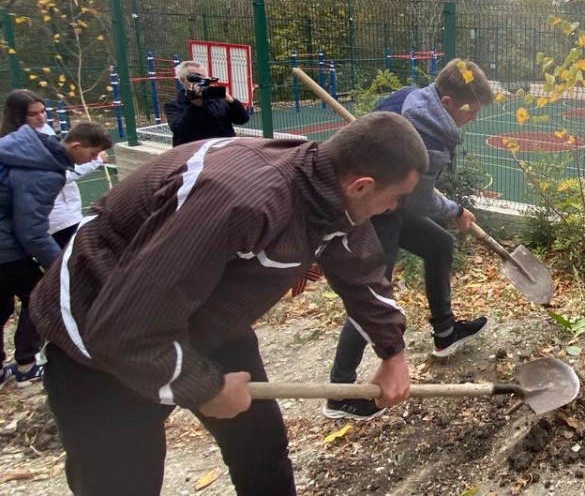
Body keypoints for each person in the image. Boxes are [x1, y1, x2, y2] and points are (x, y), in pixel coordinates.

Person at [29, 112, 428, 495]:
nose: (392, 210)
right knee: (122, 482)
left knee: (262, 449)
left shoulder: (328, 194)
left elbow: (361, 272)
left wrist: (393, 352)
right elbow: (125, 329)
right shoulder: (241, 200)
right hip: (101, 342)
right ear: (360, 185)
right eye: (395, 199)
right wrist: (203, 386)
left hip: (203, 318)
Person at [324, 58, 495, 421]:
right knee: (373, 294)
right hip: (375, 211)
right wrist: (456, 210)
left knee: (439, 245)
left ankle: (445, 332)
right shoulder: (430, 137)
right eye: (471, 111)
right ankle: (339, 391)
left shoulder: (411, 98)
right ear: (447, 103)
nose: (474, 118)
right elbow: (421, 200)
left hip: (394, 206)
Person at [0, 110, 111, 388]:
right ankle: (26, 365)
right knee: (38, 296)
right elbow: (33, 232)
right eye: (92, 153)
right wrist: (63, 267)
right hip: (5, 246)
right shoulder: (44, 174)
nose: (93, 160)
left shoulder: (25, 148)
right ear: (75, 146)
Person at [1, 90, 109, 248]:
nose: (41, 117)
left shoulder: (45, 131)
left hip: (68, 210)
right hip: (54, 216)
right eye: (33, 114)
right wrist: (95, 161)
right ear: (18, 116)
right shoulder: (19, 147)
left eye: (43, 111)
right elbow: (58, 176)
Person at [164, 60, 250, 146]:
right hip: (193, 152)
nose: (201, 83)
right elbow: (180, 130)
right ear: (183, 80)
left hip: (224, 151)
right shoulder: (173, 104)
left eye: (204, 79)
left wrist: (232, 101)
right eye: (196, 78)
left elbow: (242, 119)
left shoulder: (217, 99)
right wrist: (195, 105)